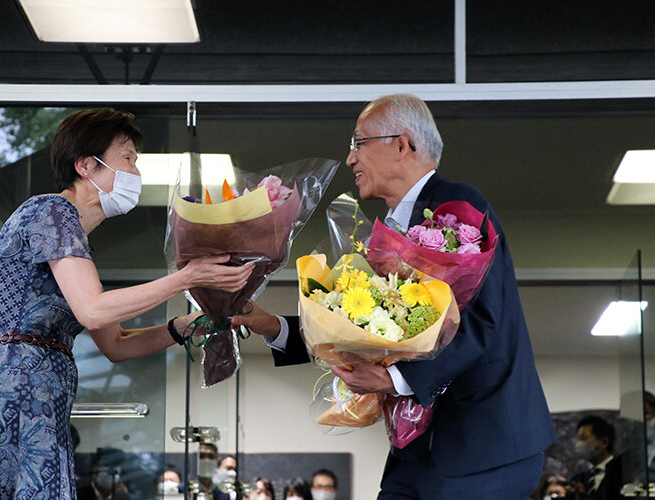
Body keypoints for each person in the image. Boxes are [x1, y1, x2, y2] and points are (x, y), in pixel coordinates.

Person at [232, 93, 557, 499]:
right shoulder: (387, 233)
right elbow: (367, 329)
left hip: (484, 445)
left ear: (402, 145)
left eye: (358, 143)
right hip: (419, 453)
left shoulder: (458, 209)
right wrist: (272, 326)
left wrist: (392, 378)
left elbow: (482, 322)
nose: (350, 159)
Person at [0, 108, 254, 499]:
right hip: (21, 387)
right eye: (128, 158)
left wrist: (187, 325)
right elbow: (94, 310)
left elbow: (115, 345)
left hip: (38, 388)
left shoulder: (73, 240)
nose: (136, 172)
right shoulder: (53, 212)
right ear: (86, 165)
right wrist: (186, 277)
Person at [569, 415, 623, 500]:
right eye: (579, 439)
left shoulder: (622, 474)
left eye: (584, 438)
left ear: (604, 442)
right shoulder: (578, 480)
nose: (579, 444)